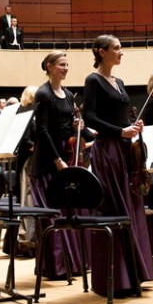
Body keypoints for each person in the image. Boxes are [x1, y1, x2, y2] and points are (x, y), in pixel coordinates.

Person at [82, 34, 153, 297]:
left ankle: (135, 271)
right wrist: (119, 131)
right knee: (115, 206)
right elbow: (89, 116)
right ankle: (117, 276)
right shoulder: (93, 80)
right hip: (108, 151)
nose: (121, 52)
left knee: (131, 205)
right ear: (101, 52)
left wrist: (132, 128)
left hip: (124, 150)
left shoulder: (120, 82)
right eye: (116, 49)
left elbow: (121, 117)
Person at [31, 51, 87, 279]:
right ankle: (56, 266)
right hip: (48, 161)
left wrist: (81, 128)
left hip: (65, 156)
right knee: (53, 214)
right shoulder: (43, 94)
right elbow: (42, 131)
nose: (65, 68)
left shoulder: (68, 95)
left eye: (67, 65)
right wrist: (57, 160)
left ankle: (73, 263)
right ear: (49, 66)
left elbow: (67, 128)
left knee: (68, 212)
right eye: (61, 64)